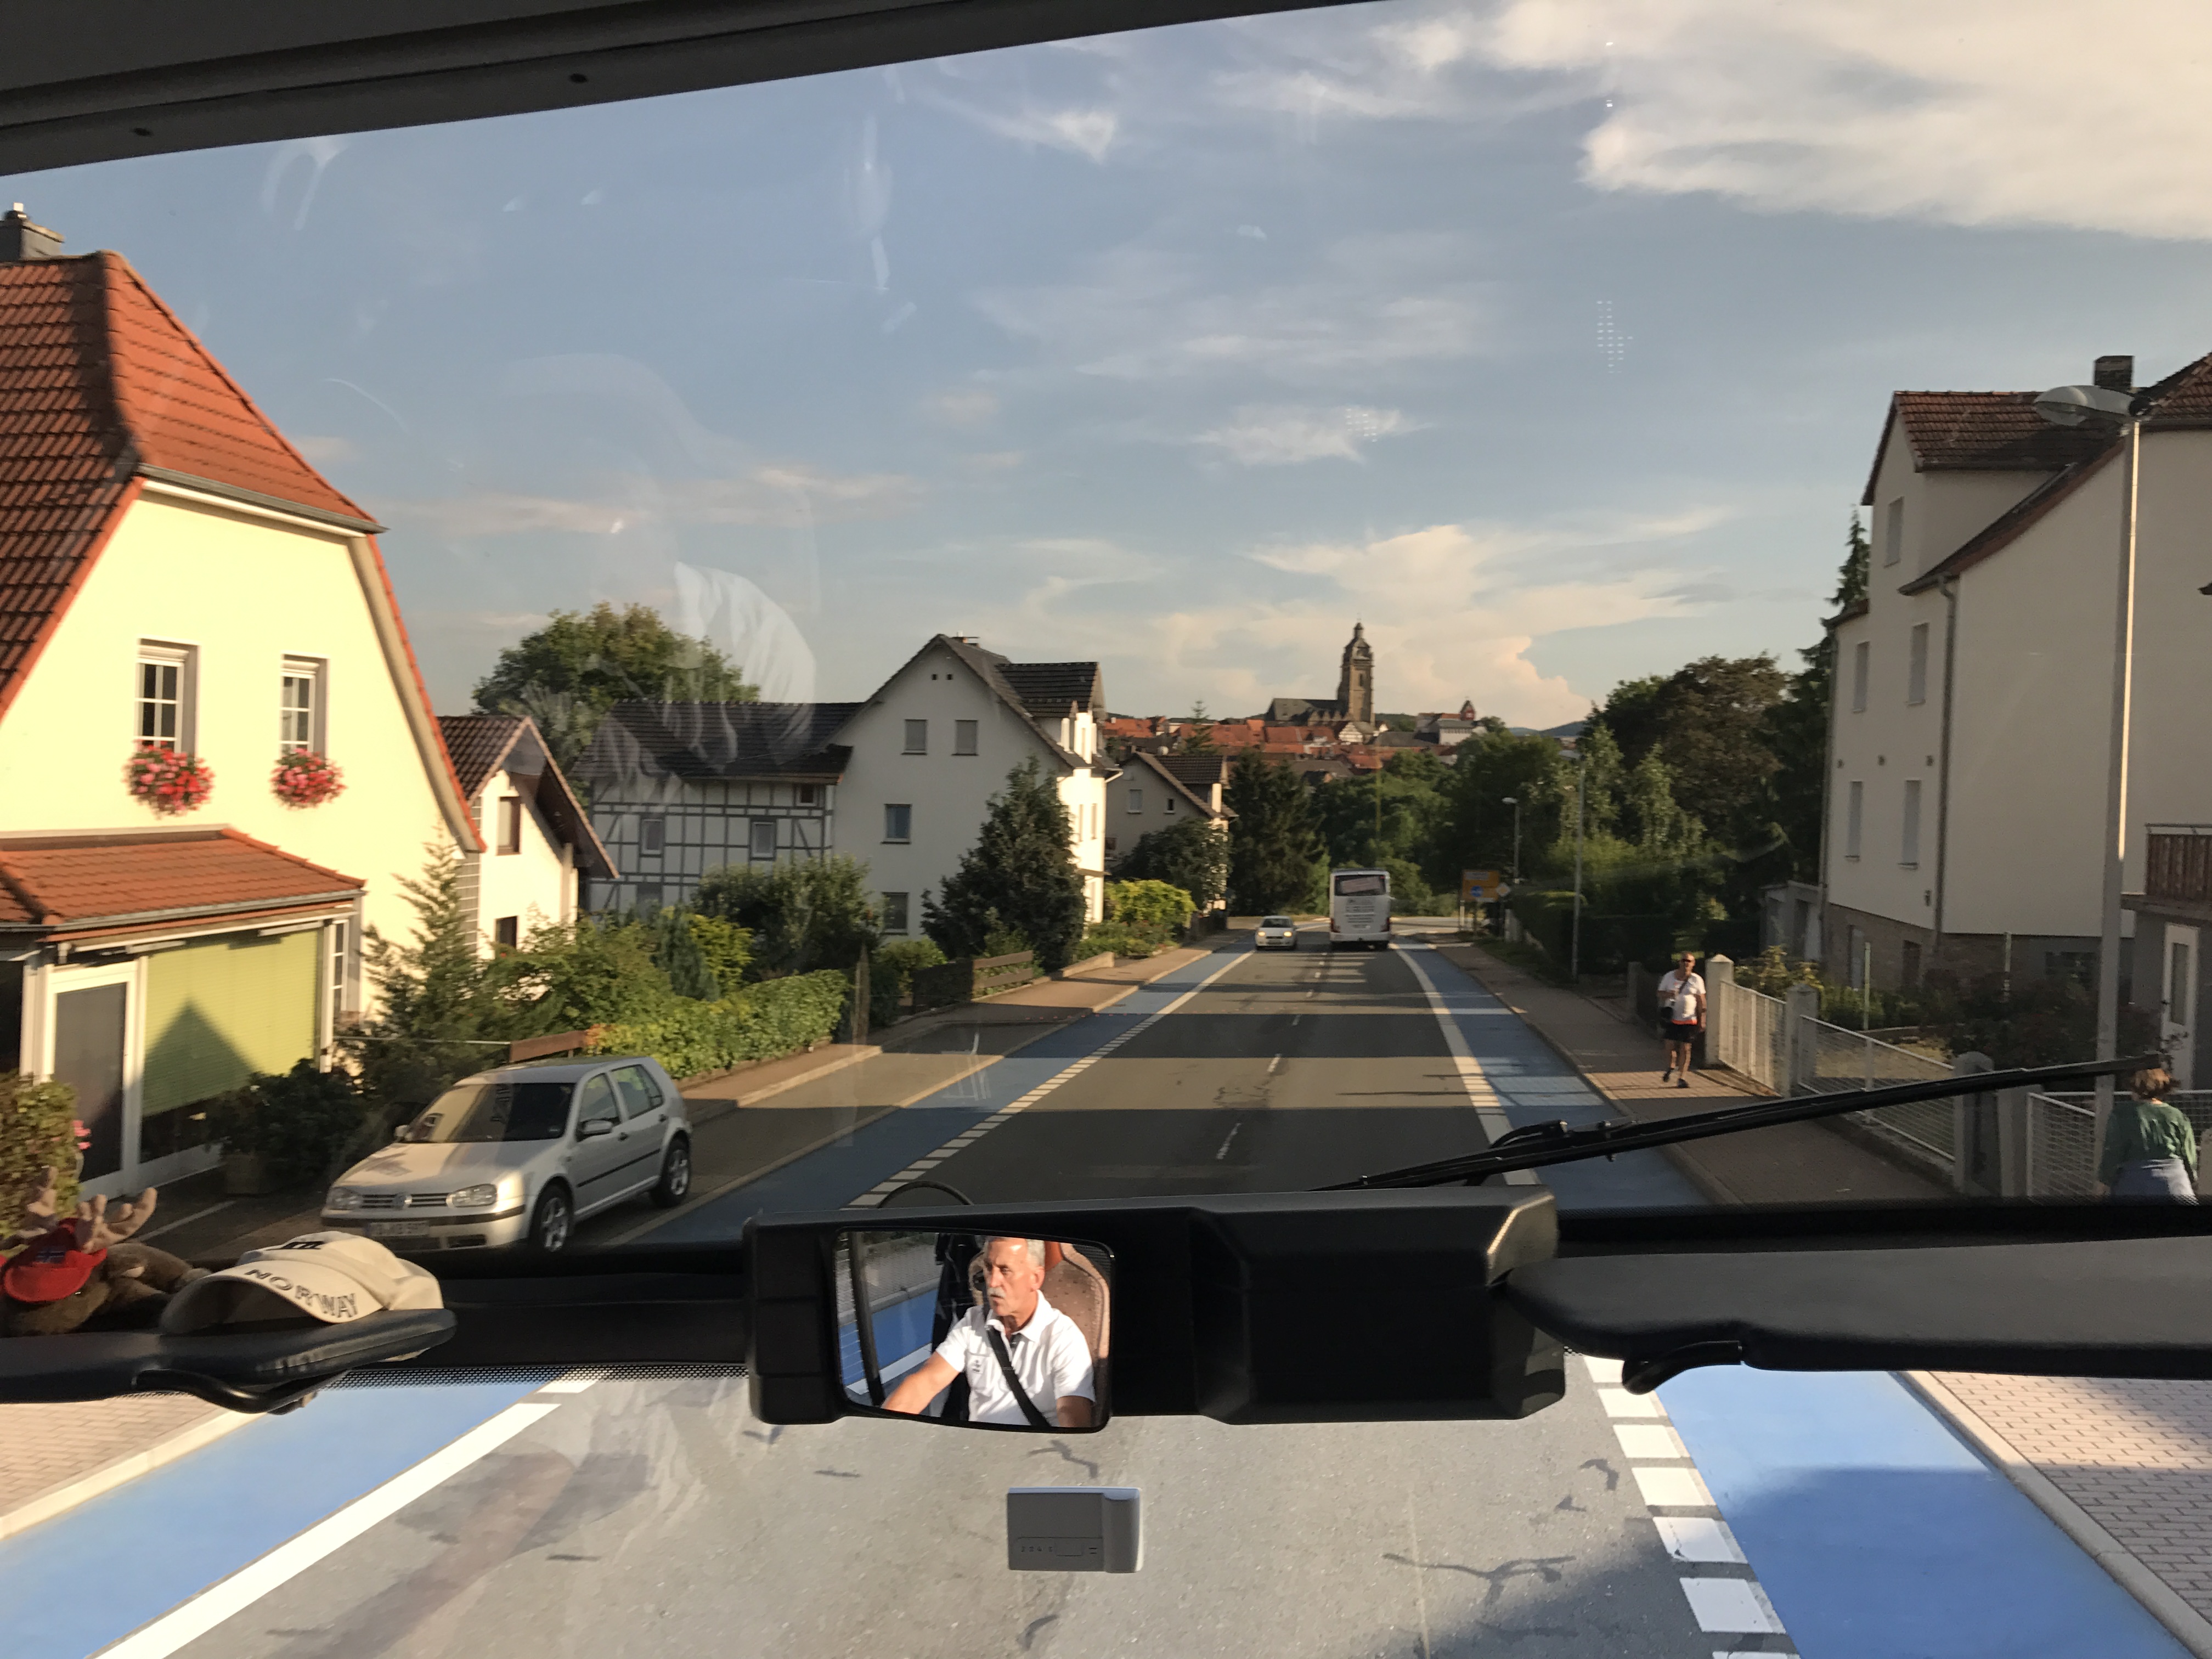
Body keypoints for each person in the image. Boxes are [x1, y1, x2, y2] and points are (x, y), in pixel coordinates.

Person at [882, 1236, 1096, 1429]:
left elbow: (1072, 1413)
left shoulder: (1063, 1338)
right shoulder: (973, 1322)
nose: (992, 1282)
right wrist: (880, 1430)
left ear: (1035, 1278)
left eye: (1005, 1270)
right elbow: (925, 1383)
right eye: (988, 1267)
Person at [2096, 1066, 2198, 1203]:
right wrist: (2192, 1179)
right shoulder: (2177, 1115)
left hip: (2134, 1181)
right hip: (2176, 1182)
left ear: (2136, 1087)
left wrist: (2103, 1182)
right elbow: (2189, 1153)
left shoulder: (2122, 1114)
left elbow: (2113, 1151)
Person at [1655, 951, 1705, 1088]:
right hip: (1671, 1019)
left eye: (1689, 961)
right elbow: (1659, 993)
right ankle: (1671, 1066)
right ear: (1679, 962)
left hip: (1689, 1020)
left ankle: (1682, 1078)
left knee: (1686, 1048)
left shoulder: (1697, 980)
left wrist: (1702, 1019)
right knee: (1669, 1046)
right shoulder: (1669, 977)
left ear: (1693, 964)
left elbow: (1701, 1001)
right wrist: (1669, 994)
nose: (1686, 963)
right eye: (1683, 960)